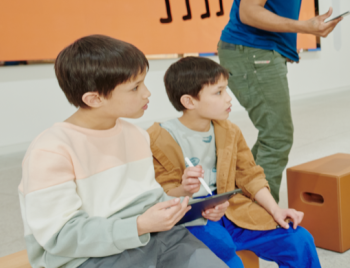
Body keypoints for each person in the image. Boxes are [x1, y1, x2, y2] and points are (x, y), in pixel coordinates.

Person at [18, 35, 224, 268]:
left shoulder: (135, 135)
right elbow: (61, 236)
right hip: (87, 258)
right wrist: (138, 225)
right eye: (135, 87)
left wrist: (192, 207)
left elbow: (149, 201)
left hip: (156, 239)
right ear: (94, 99)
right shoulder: (50, 151)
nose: (147, 93)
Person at [148, 57, 320, 268]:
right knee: (226, 251)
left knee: (298, 239)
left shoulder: (229, 131)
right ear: (189, 102)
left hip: (234, 212)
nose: (229, 99)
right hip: (194, 222)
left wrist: (276, 210)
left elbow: (250, 175)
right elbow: (161, 193)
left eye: (226, 90)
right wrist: (184, 189)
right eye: (219, 92)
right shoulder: (158, 138)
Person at [218, 0, 341, 201]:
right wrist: (304, 27)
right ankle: (261, 217)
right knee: (277, 137)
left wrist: (287, 46)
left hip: (258, 52)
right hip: (251, 52)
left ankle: (243, 202)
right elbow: (249, 12)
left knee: (273, 135)